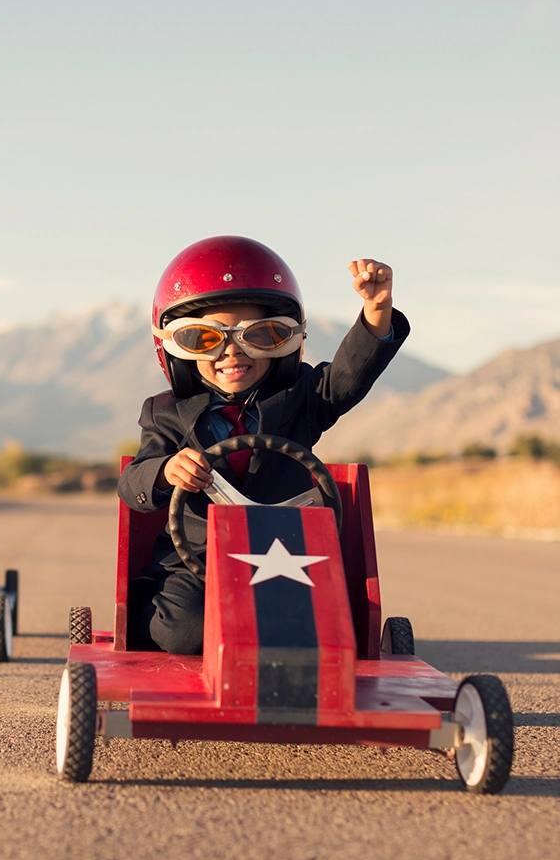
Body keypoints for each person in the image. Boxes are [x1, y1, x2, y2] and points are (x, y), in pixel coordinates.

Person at [118, 236, 408, 655]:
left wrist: (376, 312)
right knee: (184, 632)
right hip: (196, 564)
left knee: (323, 631)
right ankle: (148, 610)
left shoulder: (302, 397)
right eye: (205, 340)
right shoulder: (164, 412)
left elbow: (348, 377)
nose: (231, 352)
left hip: (288, 557)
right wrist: (166, 471)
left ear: (286, 341)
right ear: (177, 348)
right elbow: (133, 483)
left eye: (260, 336)